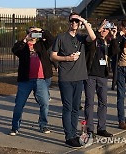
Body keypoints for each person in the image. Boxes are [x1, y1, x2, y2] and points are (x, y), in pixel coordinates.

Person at [50, 12, 96, 147]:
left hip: (79, 77)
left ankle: (74, 134)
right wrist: (67, 58)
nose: (74, 23)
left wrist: (83, 20)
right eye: (72, 21)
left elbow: (93, 37)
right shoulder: (61, 37)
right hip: (66, 78)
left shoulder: (82, 38)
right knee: (68, 107)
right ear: (68, 22)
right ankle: (68, 136)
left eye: (76, 21)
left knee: (76, 108)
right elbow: (53, 56)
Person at [10, 26, 54, 136]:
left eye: (35, 33)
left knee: (44, 103)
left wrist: (41, 30)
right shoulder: (23, 46)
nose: (33, 35)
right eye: (31, 33)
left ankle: (43, 125)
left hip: (40, 80)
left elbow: (51, 39)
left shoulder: (41, 45)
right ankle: (15, 127)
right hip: (25, 80)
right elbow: (15, 50)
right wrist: (25, 39)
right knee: (19, 104)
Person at [84, 20, 118, 137]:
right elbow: (90, 40)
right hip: (90, 75)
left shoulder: (107, 42)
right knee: (89, 102)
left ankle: (102, 128)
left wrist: (113, 37)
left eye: (106, 29)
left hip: (103, 76)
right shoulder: (93, 39)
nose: (104, 31)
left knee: (103, 102)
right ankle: (89, 129)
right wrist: (98, 30)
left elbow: (115, 52)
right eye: (103, 28)